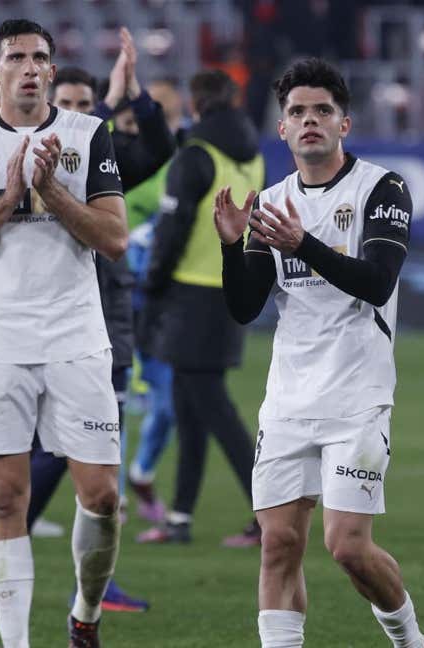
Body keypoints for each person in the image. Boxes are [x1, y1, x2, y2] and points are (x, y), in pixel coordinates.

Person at [0, 19, 128, 647]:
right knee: (4, 498)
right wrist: (8, 197)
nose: (32, 68)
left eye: (41, 57)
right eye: (17, 57)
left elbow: (114, 239)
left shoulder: (89, 134)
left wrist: (50, 192)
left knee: (101, 497)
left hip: (75, 333)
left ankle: (86, 614)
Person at [216, 57, 424, 648]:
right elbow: (244, 306)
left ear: (345, 124)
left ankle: (411, 639)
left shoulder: (381, 188)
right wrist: (235, 247)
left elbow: (377, 282)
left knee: (347, 548)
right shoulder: (273, 201)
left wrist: (303, 243)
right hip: (288, 399)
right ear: (282, 128)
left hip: (357, 396)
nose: (309, 120)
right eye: (297, 112)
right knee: (279, 544)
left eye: (322, 111)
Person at [136, 69, 263, 547]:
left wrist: (151, 285)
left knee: (214, 410)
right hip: (227, 288)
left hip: (189, 295)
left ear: (195, 106)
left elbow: (171, 234)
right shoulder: (251, 156)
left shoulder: (194, 156)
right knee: (192, 409)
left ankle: (268, 514)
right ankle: (181, 518)